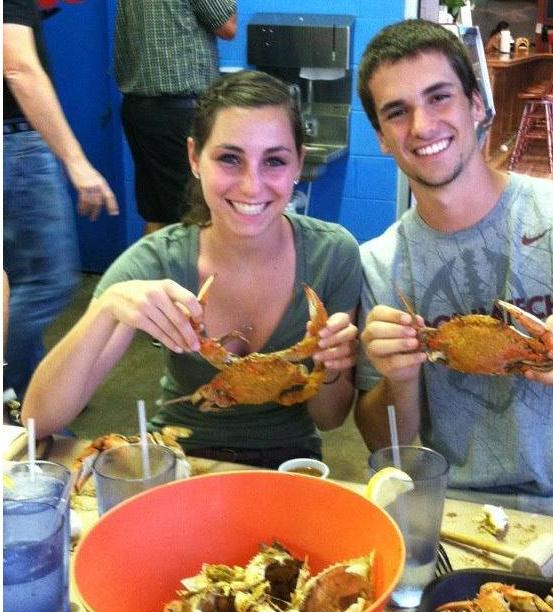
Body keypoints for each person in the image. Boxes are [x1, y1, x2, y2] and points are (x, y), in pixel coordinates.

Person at [353, 19, 553, 532]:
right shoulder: (380, 263)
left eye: (439, 97)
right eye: (398, 112)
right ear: (382, 138)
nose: (421, 125)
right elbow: (387, 448)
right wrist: (399, 379)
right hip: (450, 508)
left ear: (477, 105)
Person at [22, 70, 361, 468]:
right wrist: (106, 307)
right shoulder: (156, 262)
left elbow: (330, 417)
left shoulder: (332, 255)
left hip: (289, 463)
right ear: (194, 158)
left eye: (274, 160)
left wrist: (333, 366)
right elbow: (37, 419)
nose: (252, 186)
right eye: (230, 158)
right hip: (180, 457)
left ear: (298, 164)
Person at [3, 0, 119, 400]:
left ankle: (30, 402)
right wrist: (76, 161)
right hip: (14, 141)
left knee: (18, 281)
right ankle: (16, 393)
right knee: (45, 282)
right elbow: (17, 67)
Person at [114, 0, 236, 235]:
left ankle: (152, 272)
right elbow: (227, 26)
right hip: (177, 113)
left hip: (138, 108)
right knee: (195, 217)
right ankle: (189, 273)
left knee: (157, 215)